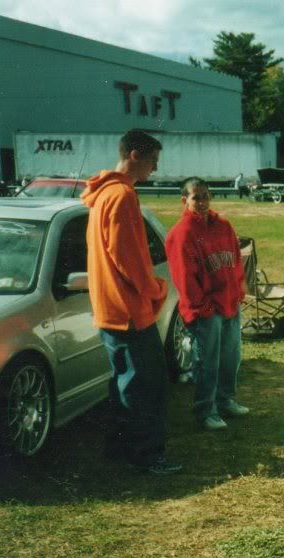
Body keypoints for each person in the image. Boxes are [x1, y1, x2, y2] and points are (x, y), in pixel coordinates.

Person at [81, 129, 180, 475]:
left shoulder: (103, 194)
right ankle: (147, 456)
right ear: (135, 155)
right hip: (128, 312)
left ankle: (120, 449)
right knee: (148, 386)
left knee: (125, 382)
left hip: (111, 310)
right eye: (153, 160)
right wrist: (155, 288)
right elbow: (130, 260)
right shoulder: (122, 196)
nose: (155, 168)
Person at [165, 178, 249, 431]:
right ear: (185, 200)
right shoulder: (181, 234)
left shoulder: (223, 225)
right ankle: (206, 409)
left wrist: (237, 293)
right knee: (207, 362)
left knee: (231, 358)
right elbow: (184, 279)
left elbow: (235, 260)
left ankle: (225, 400)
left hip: (229, 304)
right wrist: (203, 308)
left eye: (205, 196)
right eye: (195, 197)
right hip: (205, 310)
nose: (201, 202)